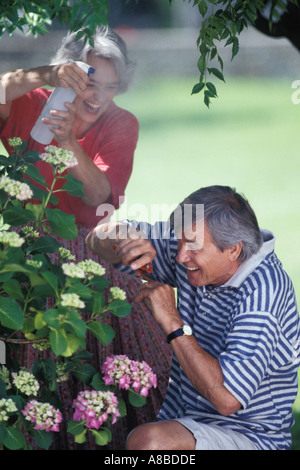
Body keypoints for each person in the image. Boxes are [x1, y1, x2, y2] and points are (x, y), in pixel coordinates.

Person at [0, 26, 172, 449]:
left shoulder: (120, 123)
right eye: (90, 84)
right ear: (70, 75)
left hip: (86, 248)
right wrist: (45, 74)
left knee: (128, 332)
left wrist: (67, 142)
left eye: (111, 88)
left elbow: (100, 197)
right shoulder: (31, 103)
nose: (98, 98)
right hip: (20, 250)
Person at [86, 185, 300, 450]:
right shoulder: (192, 247)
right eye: (179, 241)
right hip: (185, 420)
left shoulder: (263, 297)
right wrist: (122, 237)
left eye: (193, 247)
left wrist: (173, 323)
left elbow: (226, 399)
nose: (180, 256)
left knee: (149, 443)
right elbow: (95, 240)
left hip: (250, 437)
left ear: (234, 250)